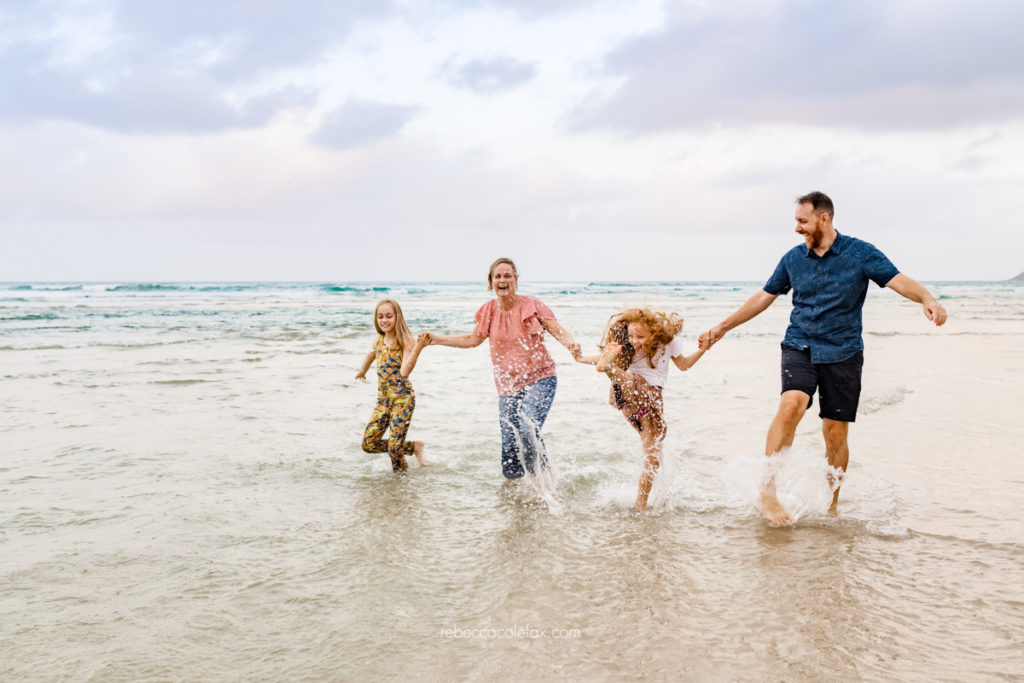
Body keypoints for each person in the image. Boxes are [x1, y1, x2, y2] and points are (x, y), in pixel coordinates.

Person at [699, 191, 947, 526]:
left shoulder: (860, 253)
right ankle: (767, 492)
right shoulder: (792, 259)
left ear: (824, 219)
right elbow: (764, 296)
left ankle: (830, 507)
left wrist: (927, 299)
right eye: (796, 221)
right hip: (799, 344)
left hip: (843, 351)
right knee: (792, 404)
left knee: (835, 434)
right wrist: (723, 327)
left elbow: (897, 280)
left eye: (803, 221)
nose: (797, 228)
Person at [423, 258, 580, 479]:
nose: (502, 280)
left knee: (527, 428)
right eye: (497, 276)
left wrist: (571, 344)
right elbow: (472, 340)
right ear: (491, 282)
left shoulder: (532, 305)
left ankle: (542, 480)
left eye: (507, 275)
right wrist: (437, 339)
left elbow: (558, 330)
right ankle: (513, 491)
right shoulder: (488, 311)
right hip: (508, 386)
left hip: (541, 378)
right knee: (509, 446)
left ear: (515, 280)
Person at [577, 308, 705, 507]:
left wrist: (704, 349)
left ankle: (641, 502)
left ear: (654, 334)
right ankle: (609, 368)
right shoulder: (627, 347)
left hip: (645, 403)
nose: (634, 341)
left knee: (653, 454)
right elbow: (599, 358)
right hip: (633, 392)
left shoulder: (667, 343)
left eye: (640, 337)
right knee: (631, 381)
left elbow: (684, 364)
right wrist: (580, 358)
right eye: (630, 336)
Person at [355, 298, 429, 471]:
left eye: (389, 316)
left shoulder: (405, 340)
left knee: (394, 449)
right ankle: (413, 447)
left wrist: (418, 348)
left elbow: (404, 372)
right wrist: (362, 370)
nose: (384, 320)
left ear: (397, 317)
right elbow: (370, 355)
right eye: (380, 316)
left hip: (403, 399)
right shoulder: (378, 340)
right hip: (383, 401)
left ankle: (400, 483)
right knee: (368, 444)